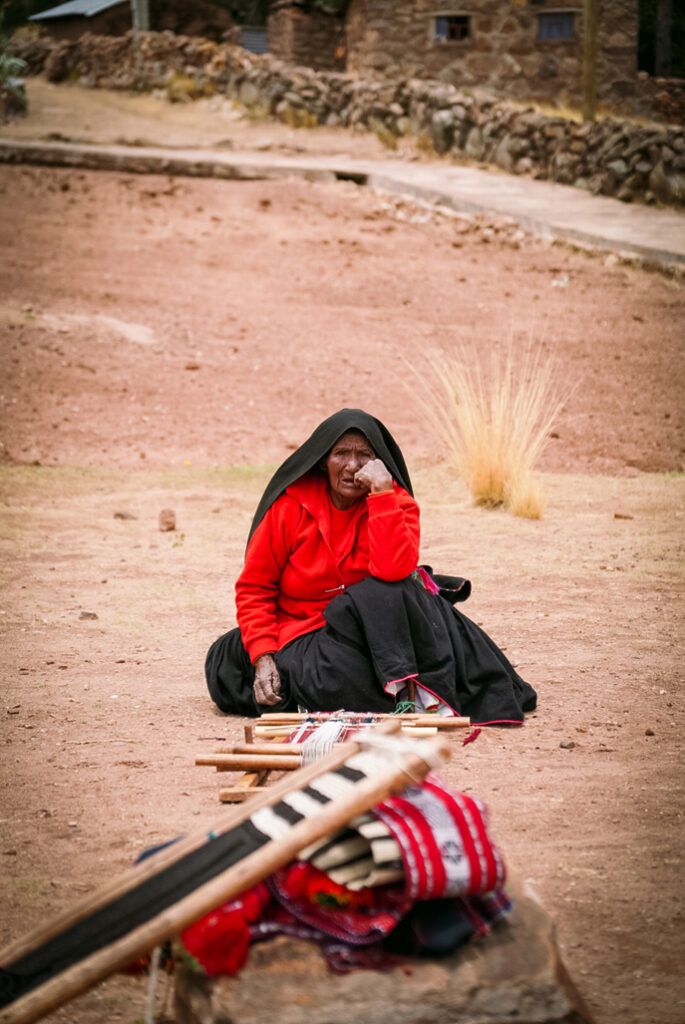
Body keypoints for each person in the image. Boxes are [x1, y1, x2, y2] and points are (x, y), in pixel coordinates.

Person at [205, 409, 537, 721]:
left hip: (374, 629)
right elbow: (255, 588)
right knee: (226, 662)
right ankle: (393, 689)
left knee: (386, 592)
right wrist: (263, 655)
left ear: (379, 462)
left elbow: (393, 571)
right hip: (302, 630)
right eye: (340, 454)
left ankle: (393, 690)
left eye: (364, 455)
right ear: (323, 461)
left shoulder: (395, 501)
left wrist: (381, 495)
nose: (352, 466)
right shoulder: (289, 507)